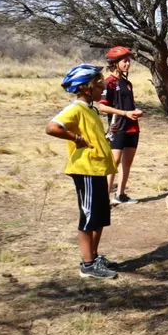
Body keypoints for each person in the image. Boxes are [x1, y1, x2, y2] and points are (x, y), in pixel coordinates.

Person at [45, 64, 119, 279]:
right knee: (88, 217)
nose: (102, 89)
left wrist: (106, 136)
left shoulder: (91, 109)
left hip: (97, 169)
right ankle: (87, 265)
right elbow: (52, 127)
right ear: (86, 88)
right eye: (99, 86)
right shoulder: (75, 108)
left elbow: (92, 137)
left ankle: (94, 258)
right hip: (85, 170)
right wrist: (75, 138)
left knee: (99, 216)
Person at [97, 46, 144, 205]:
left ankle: (120, 194)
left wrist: (135, 111)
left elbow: (128, 105)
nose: (128, 63)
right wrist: (124, 113)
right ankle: (104, 198)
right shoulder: (108, 83)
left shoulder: (128, 83)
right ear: (115, 63)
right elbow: (102, 107)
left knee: (127, 164)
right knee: (113, 164)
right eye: (125, 61)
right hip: (118, 128)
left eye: (129, 60)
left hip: (133, 128)